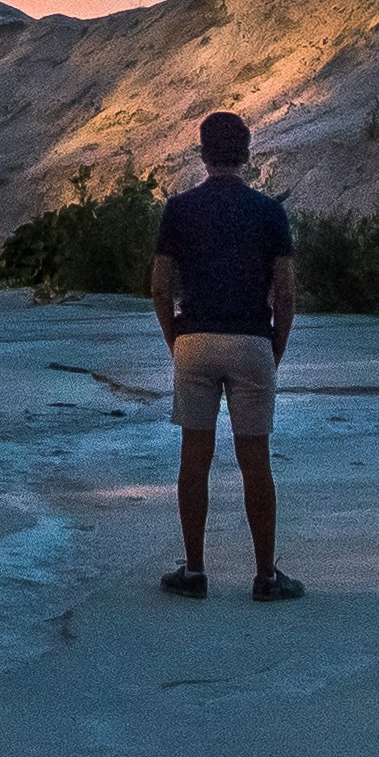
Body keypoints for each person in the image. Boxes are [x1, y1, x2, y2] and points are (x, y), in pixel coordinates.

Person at [149, 113, 301, 599]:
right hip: (251, 339)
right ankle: (265, 576)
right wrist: (275, 344)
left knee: (194, 457)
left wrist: (175, 338)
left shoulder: (179, 209)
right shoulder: (269, 212)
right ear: (247, 153)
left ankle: (194, 571)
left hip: (195, 340)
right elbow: (288, 291)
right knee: (255, 460)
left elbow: (159, 286)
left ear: (202, 153)